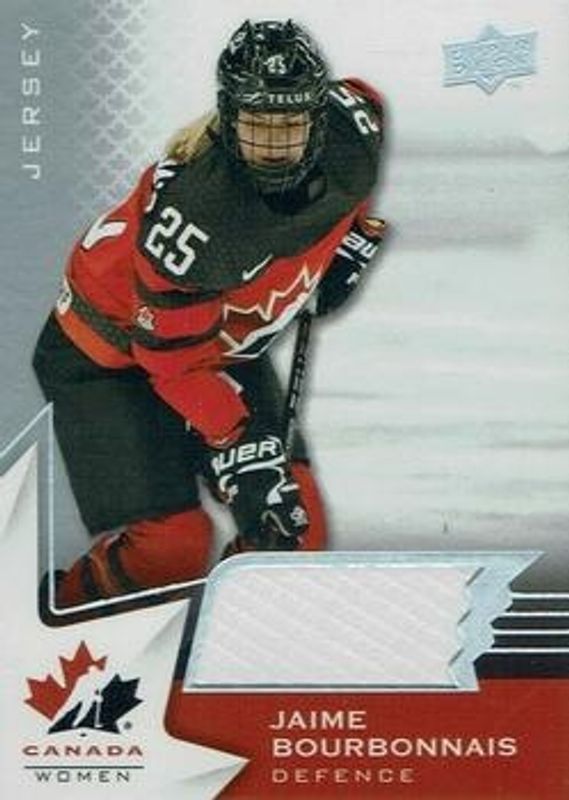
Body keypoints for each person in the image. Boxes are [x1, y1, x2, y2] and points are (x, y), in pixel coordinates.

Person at [33, 19, 386, 607]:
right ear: (227, 119)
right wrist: (239, 446)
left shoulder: (353, 133)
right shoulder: (197, 217)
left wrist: (343, 243)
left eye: (290, 125)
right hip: (107, 358)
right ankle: (56, 622)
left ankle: (230, 641)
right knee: (171, 550)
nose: (274, 146)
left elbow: (358, 143)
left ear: (319, 119)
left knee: (290, 530)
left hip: (211, 343)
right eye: (256, 126)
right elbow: (172, 364)